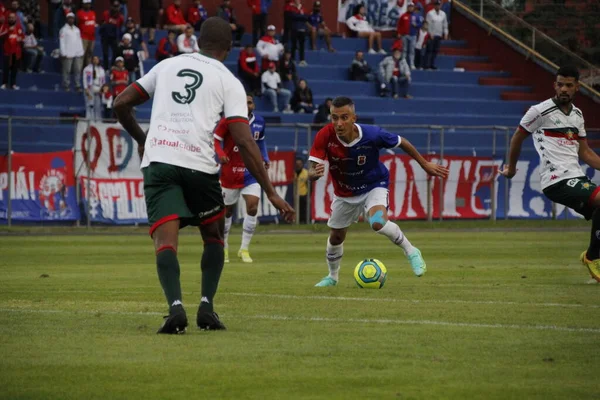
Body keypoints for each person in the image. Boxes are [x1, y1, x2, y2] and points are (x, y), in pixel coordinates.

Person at [113, 17, 294, 334]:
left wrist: (144, 140)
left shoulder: (167, 66)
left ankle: (175, 308)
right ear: (229, 47)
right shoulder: (229, 81)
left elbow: (121, 103)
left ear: (197, 41)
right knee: (213, 237)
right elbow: (243, 139)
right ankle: (206, 308)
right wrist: (271, 191)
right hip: (199, 165)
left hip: (160, 161)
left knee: (165, 241)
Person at [308, 96, 448, 287]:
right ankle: (332, 277)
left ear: (354, 118)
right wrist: (313, 174)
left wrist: (424, 164)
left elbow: (402, 142)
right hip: (344, 192)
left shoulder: (373, 134)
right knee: (336, 237)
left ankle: (411, 251)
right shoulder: (325, 135)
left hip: (374, 184)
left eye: (344, 117)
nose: (339, 123)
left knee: (377, 222)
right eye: (334, 118)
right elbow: (311, 168)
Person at [500, 66, 600, 282]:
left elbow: (586, 153)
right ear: (554, 85)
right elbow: (517, 138)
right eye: (560, 84)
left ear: (577, 87)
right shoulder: (539, 111)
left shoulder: (577, 115)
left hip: (576, 177)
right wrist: (512, 168)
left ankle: (591, 255)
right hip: (555, 180)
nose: (564, 89)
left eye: (569, 85)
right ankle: (593, 257)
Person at [213, 94, 270, 263]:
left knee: (252, 207)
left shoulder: (260, 122)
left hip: (251, 171)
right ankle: (224, 247)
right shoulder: (228, 120)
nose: (247, 105)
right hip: (230, 173)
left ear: (254, 105)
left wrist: (265, 158)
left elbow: (261, 143)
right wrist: (221, 154)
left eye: (250, 102)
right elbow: (216, 140)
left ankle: (244, 249)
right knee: (227, 212)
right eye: (244, 102)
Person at [59, 12, 84, 92]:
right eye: (69, 18)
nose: (71, 19)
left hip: (77, 52)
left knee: (77, 70)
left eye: (72, 18)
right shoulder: (63, 30)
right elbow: (62, 41)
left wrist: (81, 51)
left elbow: (79, 41)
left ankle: (77, 85)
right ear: (67, 19)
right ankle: (66, 85)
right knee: (67, 70)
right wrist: (63, 52)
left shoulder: (77, 30)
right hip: (68, 53)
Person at [0, 12, 24, 90]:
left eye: (13, 17)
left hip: (16, 52)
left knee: (14, 69)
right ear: (8, 19)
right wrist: (8, 31)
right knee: (6, 68)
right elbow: (1, 35)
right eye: (10, 17)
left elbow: (22, 37)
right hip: (7, 51)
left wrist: (21, 39)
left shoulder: (19, 27)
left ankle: (13, 84)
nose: (11, 19)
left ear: (15, 19)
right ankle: (4, 83)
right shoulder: (4, 27)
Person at [100, 1, 124, 71]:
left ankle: (112, 66)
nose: (115, 8)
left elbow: (120, 28)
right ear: (111, 6)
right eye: (114, 6)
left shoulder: (120, 17)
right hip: (105, 36)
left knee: (115, 52)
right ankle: (106, 68)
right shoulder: (106, 14)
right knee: (105, 53)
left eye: (117, 6)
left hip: (114, 37)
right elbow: (101, 24)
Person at [425, 0, 448, 70]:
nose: (437, 6)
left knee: (435, 50)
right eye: (436, 5)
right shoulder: (430, 13)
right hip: (431, 35)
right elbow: (427, 24)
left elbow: (445, 24)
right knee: (429, 50)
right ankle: (427, 65)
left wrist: (446, 33)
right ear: (434, 5)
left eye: (439, 5)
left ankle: (432, 64)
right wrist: (430, 33)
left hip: (439, 35)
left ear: (440, 5)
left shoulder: (443, 14)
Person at [397, 2, 419, 70]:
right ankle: (403, 64)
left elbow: (420, 24)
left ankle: (412, 64)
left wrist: (416, 25)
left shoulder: (416, 16)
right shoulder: (403, 16)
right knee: (404, 50)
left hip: (413, 35)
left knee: (412, 50)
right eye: (409, 6)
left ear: (413, 8)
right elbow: (399, 25)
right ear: (407, 7)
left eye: (411, 7)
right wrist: (399, 33)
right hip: (404, 35)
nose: (410, 8)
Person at [83, 56, 106, 120]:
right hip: (90, 87)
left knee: (98, 105)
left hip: (98, 87)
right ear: (92, 60)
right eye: (94, 59)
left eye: (96, 59)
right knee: (90, 104)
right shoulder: (87, 69)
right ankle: (89, 119)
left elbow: (103, 80)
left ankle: (98, 119)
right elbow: (84, 79)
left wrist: (102, 89)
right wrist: (86, 88)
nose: (95, 60)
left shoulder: (101, 69)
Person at [77, 0, 97, 68]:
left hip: (92, 37)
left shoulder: (93, 13)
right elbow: (77, 25)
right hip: (83, 37)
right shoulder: (79, 13)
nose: (88, 5)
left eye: (89, 4)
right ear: (83, 4)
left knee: (89, 54)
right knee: (82, 54)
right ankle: (80, 69)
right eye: (86, 4)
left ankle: (87, 69)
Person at [288, 0, 308, 66]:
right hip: (294, 29)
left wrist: (299, 15)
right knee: (293, 45)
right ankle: (292, 59)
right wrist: (300, 15)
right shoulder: (291, 7)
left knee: (301, 46)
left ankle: (302, 60)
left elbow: (306, 17)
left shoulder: (303, 8)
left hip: (302, 29)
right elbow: (293, 16)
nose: (297, 1)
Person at [294, 157, 309, 224]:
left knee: (303, 209)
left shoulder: (306, 173)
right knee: (295, 209)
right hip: (295, 194)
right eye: (297, 164)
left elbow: (309, 185)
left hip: (303, 193)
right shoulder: (293, 173)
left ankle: (304, 221)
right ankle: (296, 221)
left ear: (302, 164)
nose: (298, 165)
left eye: (300, 164)